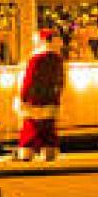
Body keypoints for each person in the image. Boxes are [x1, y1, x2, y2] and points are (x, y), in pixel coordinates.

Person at [16, 28, 66, 162]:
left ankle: (27, 151)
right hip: (50, 98)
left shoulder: (35, 58)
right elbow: (61, 80)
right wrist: (57, 95)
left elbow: (29, 80)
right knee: (48, 127)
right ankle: (49, 151)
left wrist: (23, 97)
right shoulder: (57, 59)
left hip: (34, 99)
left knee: (30, 126)